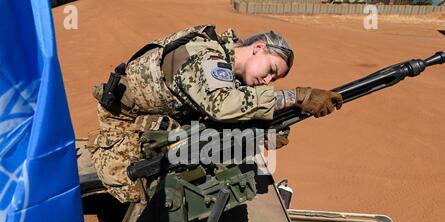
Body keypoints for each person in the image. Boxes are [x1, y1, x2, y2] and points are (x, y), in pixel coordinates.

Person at [87, 24, 343, 203]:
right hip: (125, 128)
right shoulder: (208, 56)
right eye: (271, 69)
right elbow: (221, 105)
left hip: (159, 121)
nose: (268, 80)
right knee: (148, 197)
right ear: (258, 47)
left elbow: (233, 108)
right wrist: (293, 97)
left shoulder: (230, 69)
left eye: (274, 78)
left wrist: (268, 130)